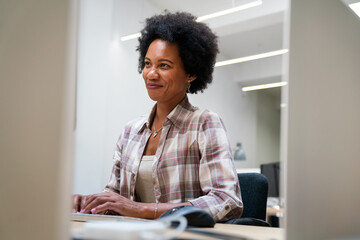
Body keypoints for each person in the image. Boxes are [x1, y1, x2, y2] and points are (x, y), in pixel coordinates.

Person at [73, 11, 242, 222]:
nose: (151, 74)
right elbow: (117, 198)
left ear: (191, 72)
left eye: (164, 65)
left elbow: (226, 200)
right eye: (147, 63)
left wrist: (142, 210)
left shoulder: (204, 124)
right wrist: (93, 203)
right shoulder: (130, 131)